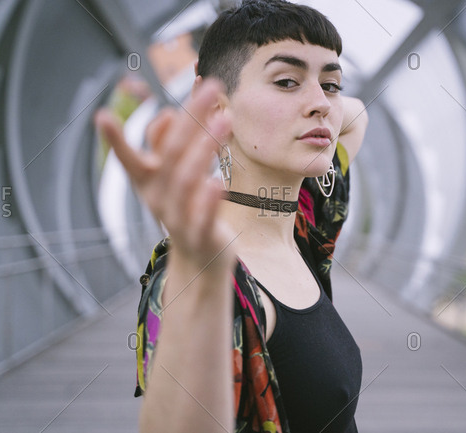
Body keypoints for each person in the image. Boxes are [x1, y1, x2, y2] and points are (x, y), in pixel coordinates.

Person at [95, 1, 369, 431]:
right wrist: (198, 270)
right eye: (286, 80)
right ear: (216, 107)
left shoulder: (301, 224)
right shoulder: (197, 275)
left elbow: (356, 116)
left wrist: (315, 94)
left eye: (331, 84)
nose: (321, 104)